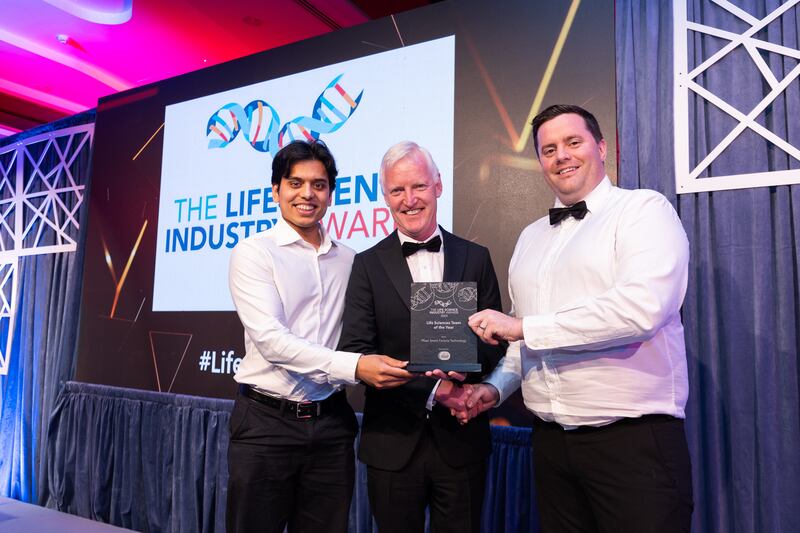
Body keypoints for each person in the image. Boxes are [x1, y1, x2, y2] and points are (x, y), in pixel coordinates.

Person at [464, 104, 694, 532]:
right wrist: (494, 390)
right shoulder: (529, 238)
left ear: (601, 147)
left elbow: (640, 309)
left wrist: (523, 327)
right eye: (548, 149)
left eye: (573, 142)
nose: (561, 156)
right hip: (551, 446)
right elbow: (525, 341)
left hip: (631, 443)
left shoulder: (643, 210)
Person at [226, 140, 413, 533]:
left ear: (331, 193)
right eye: (295, 183)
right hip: (265, 424)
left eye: (319, 184)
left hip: (331, 425)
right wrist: (355, 366)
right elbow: (271, 340)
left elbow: (370, 329)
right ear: (275, 190)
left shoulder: (351, 260)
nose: (307, 194)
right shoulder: (254, 253)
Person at [337, 141, 505, 533]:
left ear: (438, 186)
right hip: (392, 444)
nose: (409, 200)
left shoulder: (475, 257)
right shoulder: (367, 265)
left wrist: (462, 374)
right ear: (385, 197)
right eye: (397, 191)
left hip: (462, 440)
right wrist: (433, 391)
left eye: (419, 187)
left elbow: (495, 343)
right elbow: (357, 353)